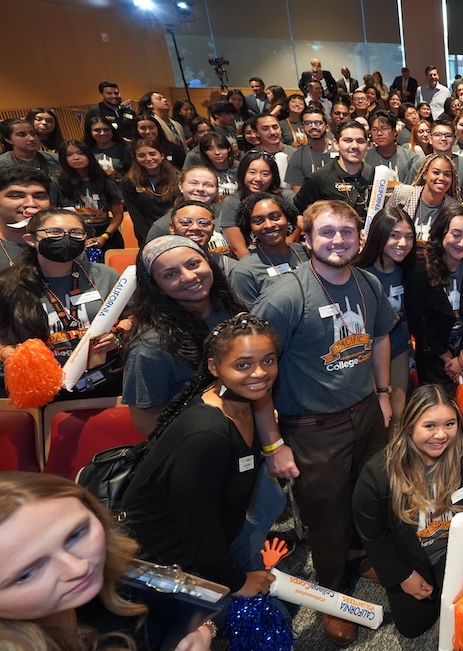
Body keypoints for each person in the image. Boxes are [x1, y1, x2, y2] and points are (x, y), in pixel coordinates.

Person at [251, 199, 396, 645]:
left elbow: (380, 337)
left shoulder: (367, 282)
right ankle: (330, 593)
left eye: (347, 232)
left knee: (371, 496)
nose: (338, 241)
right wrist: (273, 443)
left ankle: (362, 554)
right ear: (307, 237)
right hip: (312, 426)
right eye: (328, 232)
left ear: (359, 238)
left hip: (366, 412)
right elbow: (255, 373)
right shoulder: (285, 295)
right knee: (326, 515)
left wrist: (385, 394)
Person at [119, 314, 280, 601]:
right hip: (164, 569)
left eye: (268, 360)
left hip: (206, 550)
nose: (259, 373)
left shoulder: (246, 404)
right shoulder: (206, 435)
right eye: (243, 365)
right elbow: (198, 528)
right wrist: (235, 581)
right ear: (214, 367)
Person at [0, 471, 214, 651]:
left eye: (76, 534)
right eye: (26, 574)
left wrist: (201, 630)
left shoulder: (113, 584)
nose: (78, 567)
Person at [352, 384, 463, 640]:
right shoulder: (378, 475)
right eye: (429, 426)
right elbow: (372, 535)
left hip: (461, 548)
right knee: (413, 626)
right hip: (410, 557)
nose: (441, 435)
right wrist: (403, 575)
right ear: (410, 426)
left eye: (450, 424)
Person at [0, 209, 123, 396]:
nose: (66, 238)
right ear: (31, 239)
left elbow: (132, 317)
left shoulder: (105, 275)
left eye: (75, 233)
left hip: (105, 378)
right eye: (54, 232)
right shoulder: (8, 284)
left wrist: (117, 336)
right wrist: (13, 355)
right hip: (41, 385)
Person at [404, 204, 463, 431]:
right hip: (435, 357)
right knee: (439, 422)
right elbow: (419, 321)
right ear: (442, 231)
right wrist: (448, 359)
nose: (462, 243)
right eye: (456, 234)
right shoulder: (420, 269)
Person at [353, 205, 415, 415]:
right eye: (394, 236)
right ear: (379, 236)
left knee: (398, 414)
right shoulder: (358, 274)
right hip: (363, 355)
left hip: (398, 350)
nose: (403, 243)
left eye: (408, 237)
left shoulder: (409, 271)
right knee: (371, 415)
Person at [227, 192, 307, 305]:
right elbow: (250, 318)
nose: (269, 225)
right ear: (249, 227)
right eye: (258, 221)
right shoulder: (244, 271)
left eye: (275, 217)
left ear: (287, 218)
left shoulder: (305, 251)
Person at [51, 140, 125, 251]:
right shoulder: (56, 182)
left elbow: (118, 215)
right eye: (69, 155)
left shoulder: (106, 181)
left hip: (106, 236)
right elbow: (51, 214)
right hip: (71, 235)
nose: (76, 158)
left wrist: (105, 236)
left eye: (80, 153)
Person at [296, 120, 375, 220]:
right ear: (336, 143)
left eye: (360, 141)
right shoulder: (320, 178)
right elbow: (297, 213)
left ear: (367, 145)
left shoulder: (376, 175)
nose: (355, 146)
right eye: (348, 140)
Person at [119, 139, 180, 247]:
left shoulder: (177, 178)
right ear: (136, 159)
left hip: (175, 232)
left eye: (152, 154)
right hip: (146, 235)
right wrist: (148, 240)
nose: (148, 159)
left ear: (161, 155)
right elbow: (136, 216)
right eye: (141, 155)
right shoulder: (129, 182)